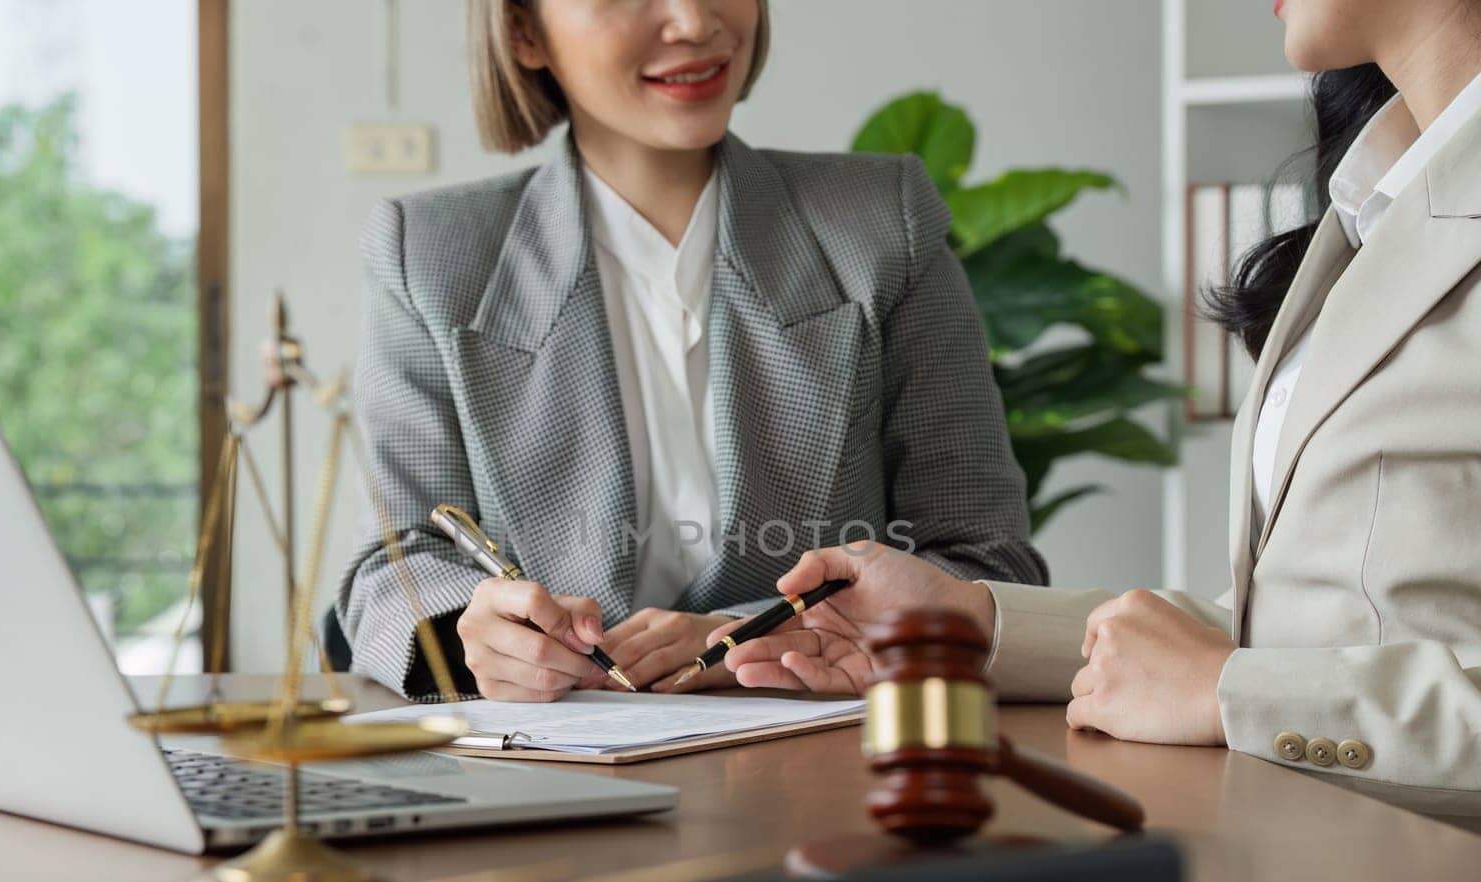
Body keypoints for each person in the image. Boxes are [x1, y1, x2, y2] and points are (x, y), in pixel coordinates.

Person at [715, 0, 1481, 815]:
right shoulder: (1375, 201)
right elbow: (1328, 627)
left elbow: (1266, 675)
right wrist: (964, 624)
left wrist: (1238, 692)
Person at [336, 0, 1045, 702]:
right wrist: (471, 636)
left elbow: (987, 560)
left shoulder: (882, 225)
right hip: (548, 768)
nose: (694, 22)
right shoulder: (428, 254)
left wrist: (745, 638)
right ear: (524, 31)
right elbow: (389, 567)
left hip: (821, 773)